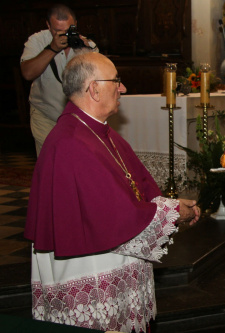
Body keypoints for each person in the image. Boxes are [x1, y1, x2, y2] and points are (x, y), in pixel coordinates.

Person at [24, 52, 200, 332]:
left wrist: (171, 205)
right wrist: (175, 212)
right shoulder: (70, 141)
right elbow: (116, 215)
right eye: (116, 81)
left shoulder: (98, 132)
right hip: (88, 268)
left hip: (110, 259)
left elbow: (135, 188)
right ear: (94, 89)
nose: (123, 88)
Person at [20, 4, 98, 156]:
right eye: (57, 30)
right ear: (48, 25)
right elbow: (28, 73)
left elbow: (99, 80)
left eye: (68, 29)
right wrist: (52, 49)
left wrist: (88, 50)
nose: (64, 34)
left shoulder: (86, 44)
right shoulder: (37, 41)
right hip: (45, 114)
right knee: (49, 161)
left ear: (75, 23)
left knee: (75, 161)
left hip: (77, 118)